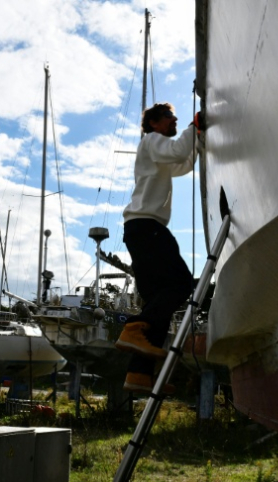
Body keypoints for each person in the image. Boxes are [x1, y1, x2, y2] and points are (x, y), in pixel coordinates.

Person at [115, 102, 203, 394]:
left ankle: (138, 376)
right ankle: (133, 327)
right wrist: (196, 126)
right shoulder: (152, 141)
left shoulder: (158, 151)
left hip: (140, 229)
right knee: (179, 283)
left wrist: (199, 140)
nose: (174, 119)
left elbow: (184, 163)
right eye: (168, 116)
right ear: (153, 123)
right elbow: (179, 151)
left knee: (157, 303)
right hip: (147, 227)